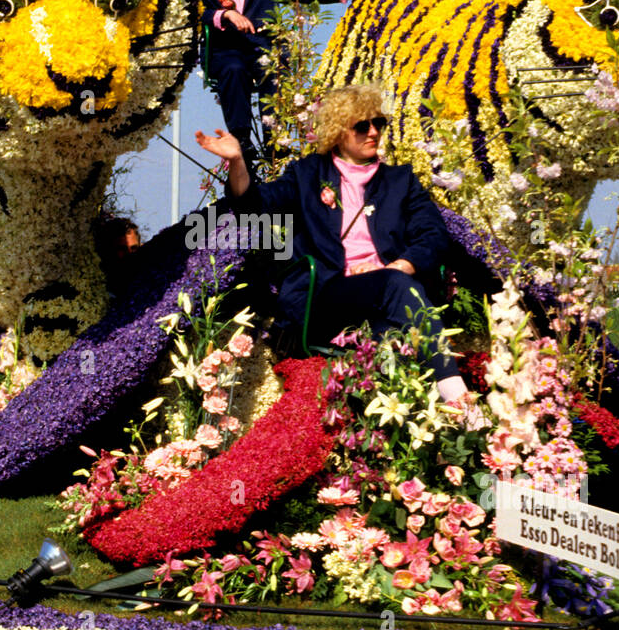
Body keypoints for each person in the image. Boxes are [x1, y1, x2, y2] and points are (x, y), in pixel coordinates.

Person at [196, 83, 469, 402]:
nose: (373, 132)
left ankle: (419, 432)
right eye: (362, 126)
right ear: (339, 132)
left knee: (393, 336)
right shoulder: (307, 174)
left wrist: (398, 265)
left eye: (378, 123)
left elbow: (433, 234)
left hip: (384, 291)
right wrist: (238, 162)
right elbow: (254, 204)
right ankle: (458, 399)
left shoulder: (400, 181)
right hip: (326, 295)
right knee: (397, 291)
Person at [195, 0, 357, 170]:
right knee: (234, 70)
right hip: (225, 51)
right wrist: (224, 15)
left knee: (274, 67)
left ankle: (275, 142)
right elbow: (196, 9)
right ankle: (241, 140)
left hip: (260, 47)